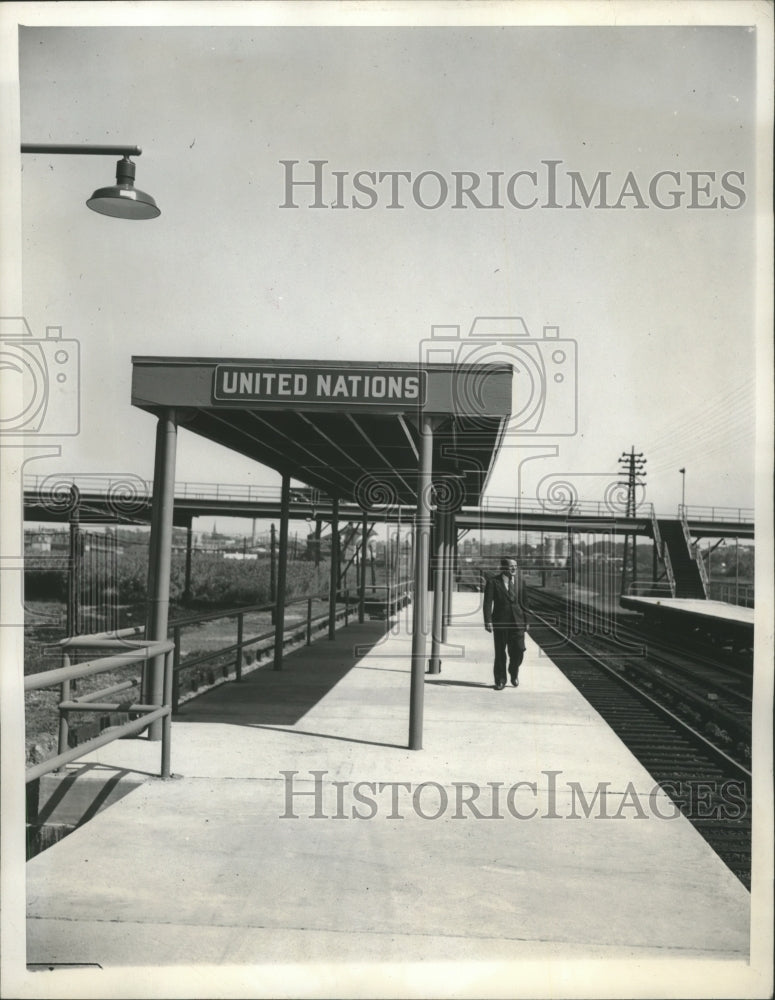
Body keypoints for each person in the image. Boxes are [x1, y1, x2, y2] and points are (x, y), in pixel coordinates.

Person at [483, 557, 530, 690]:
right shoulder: (493, 582)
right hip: (500, 622)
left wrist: (527, 621)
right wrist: (488, 621)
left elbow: (525, 604)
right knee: (500, 652)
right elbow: (487, 603)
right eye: (511, 566)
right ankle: (500, 680)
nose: (514, 568)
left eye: (515, 566)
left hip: (518, 622)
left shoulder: (521, 582)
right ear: (503, 568)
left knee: (519, 650)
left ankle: (513, 671)